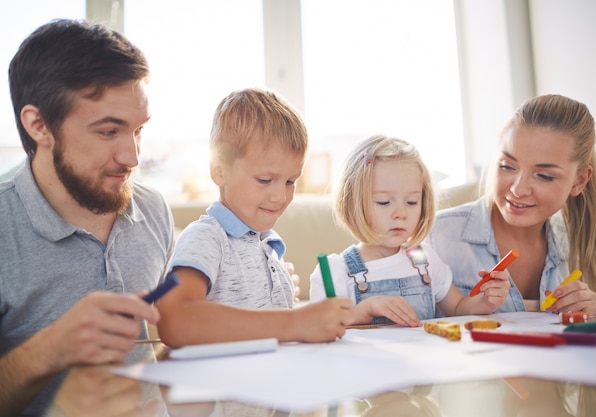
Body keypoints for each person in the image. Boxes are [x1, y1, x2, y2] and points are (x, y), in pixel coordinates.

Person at [0, 19, 174, 416]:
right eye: (109, 132)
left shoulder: (152, 209)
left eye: (138, 130)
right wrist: (50, 350)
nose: (132, 158)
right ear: (39, 125)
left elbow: (169, 347)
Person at [155, 87, 352, 347]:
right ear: (219, 171)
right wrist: (296, 322)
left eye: (291, 181)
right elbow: (175, 320)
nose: (280, 196)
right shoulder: (206, 237)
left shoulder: (268, 245)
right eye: (265, 180)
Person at [426, 94, 596, 318]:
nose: (518, 189)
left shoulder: (578, 243)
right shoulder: (434, 236)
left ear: (579, 181)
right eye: (507, 166)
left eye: (544, 176)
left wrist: (589, 317)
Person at [308, 135, 510, 326]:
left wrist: (486, 302)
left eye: (412, 202)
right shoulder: (337, 271)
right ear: (353, 204)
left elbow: (457, 308)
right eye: (384, 202)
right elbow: (325, 327)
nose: (401, 213)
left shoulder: (424, 259)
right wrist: (367, 309)